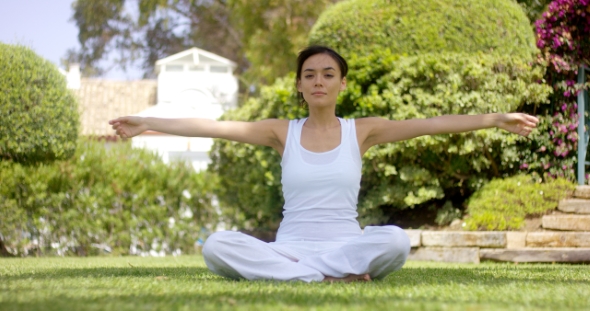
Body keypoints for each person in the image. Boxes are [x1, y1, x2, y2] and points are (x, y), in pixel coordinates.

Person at [109, 45, 539, 283]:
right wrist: (147, 122)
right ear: (299, 84)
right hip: (290, 251)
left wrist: (495, 119)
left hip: (345, 246)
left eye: (328, 74)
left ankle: (312, 275)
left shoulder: (362, 131)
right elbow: (213, 126)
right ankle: (325, 277)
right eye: (310, 74)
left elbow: (428, 124)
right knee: (218, 246)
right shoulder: (282, 132)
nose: (318, 80)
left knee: (395, 242)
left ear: (341, 83)